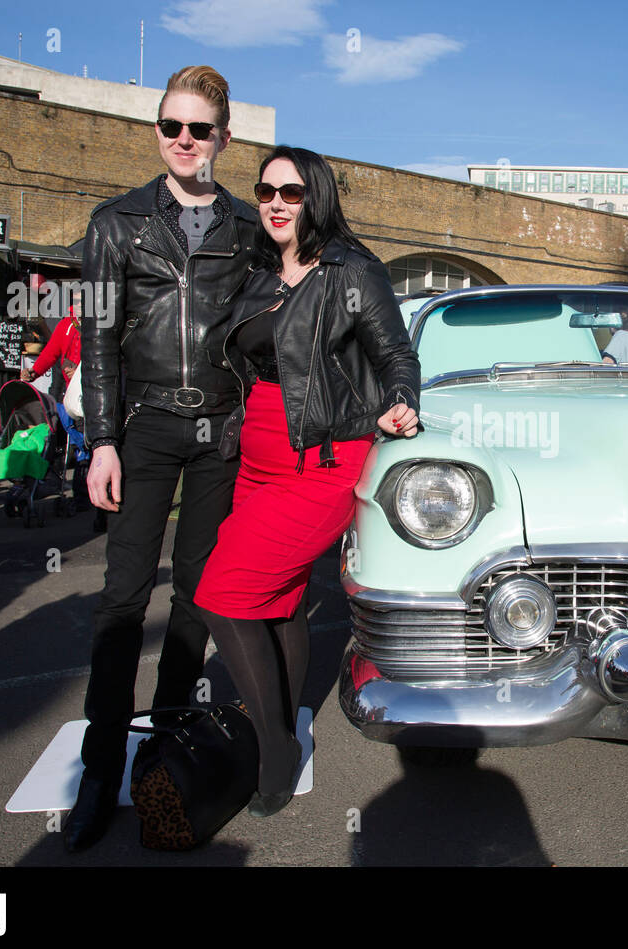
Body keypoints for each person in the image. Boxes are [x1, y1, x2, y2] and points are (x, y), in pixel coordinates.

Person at [65, 64, 264, 852]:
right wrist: (102, 440)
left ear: (224, 137)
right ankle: (98, 767)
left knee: (197, 598)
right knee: (121, 600)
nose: (185, 141)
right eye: (171, 127)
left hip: (221, 430)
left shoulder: (249, 226)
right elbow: (101, 342)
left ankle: (167, 752)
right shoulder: (114, 223)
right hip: (143, 427)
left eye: (200, 129)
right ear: (158, 131)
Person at [194, 146, 420, 818]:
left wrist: (402, 395)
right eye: (265, 191)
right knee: (280, 599)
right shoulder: (260, 274)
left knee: (223, 594)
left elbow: (395, 352)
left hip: (323, 460)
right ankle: (289, 722)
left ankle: (275, 748)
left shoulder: (353, 270)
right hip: (258, 459)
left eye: (290, 193)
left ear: (314, 198)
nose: (275, 204)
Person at [23, 296, 91, 511]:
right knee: (66, 442)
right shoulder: (66, 324)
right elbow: (51, 352)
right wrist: (34, 372)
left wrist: (81, 370)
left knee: (86, 445)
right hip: (67, 396)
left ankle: (84, 497)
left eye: (84, 301)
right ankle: (58, 485)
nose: (80, 305)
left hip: (90, 395)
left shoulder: (99, 323)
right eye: (78, 301)